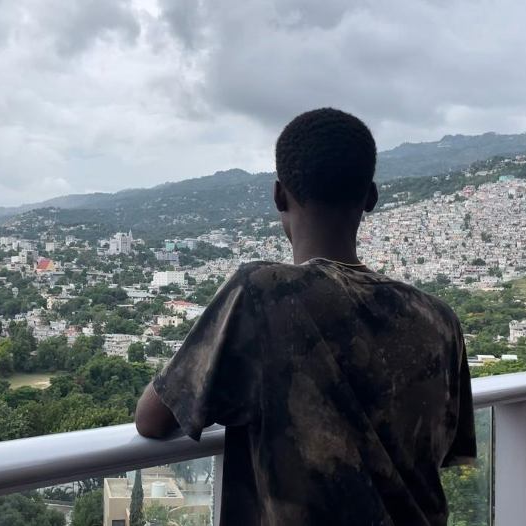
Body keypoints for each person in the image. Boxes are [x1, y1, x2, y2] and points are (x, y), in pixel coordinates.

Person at [134, 108, 476, 525]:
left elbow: (153, 419)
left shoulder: (262, 292)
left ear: (279, 195)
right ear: (371, 197)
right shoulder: (440, 320)